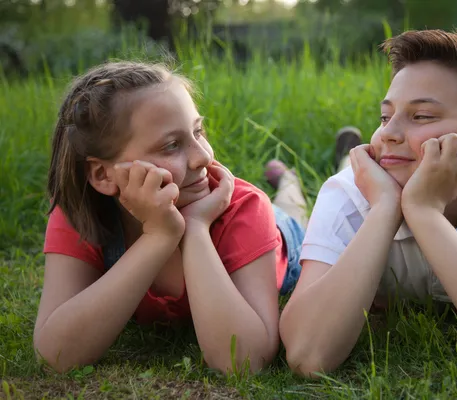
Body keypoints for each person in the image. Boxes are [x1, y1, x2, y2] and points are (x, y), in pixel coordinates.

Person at [279, 29, 457, 377]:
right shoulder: (346, 193)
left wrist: (424, 212)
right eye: (385, 117)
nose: (387, 133)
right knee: (292, 210)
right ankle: (287, 176)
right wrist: (385, 207)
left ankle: (335, 158)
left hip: (398, 178)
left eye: (422, 117)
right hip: (327, 202)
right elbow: (306, 356)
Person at [34, 61, 306, 374]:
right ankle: (286, 180)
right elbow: (54, 355)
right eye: (172, 145)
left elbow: (245, 362)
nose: (204, 156)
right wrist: (160, 236)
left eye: (198, 131)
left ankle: (290, 181)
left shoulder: (244, 208)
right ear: (102, 174)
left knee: (290, 209)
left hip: (280, 237)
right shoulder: (80, 211)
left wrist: (196, 227)